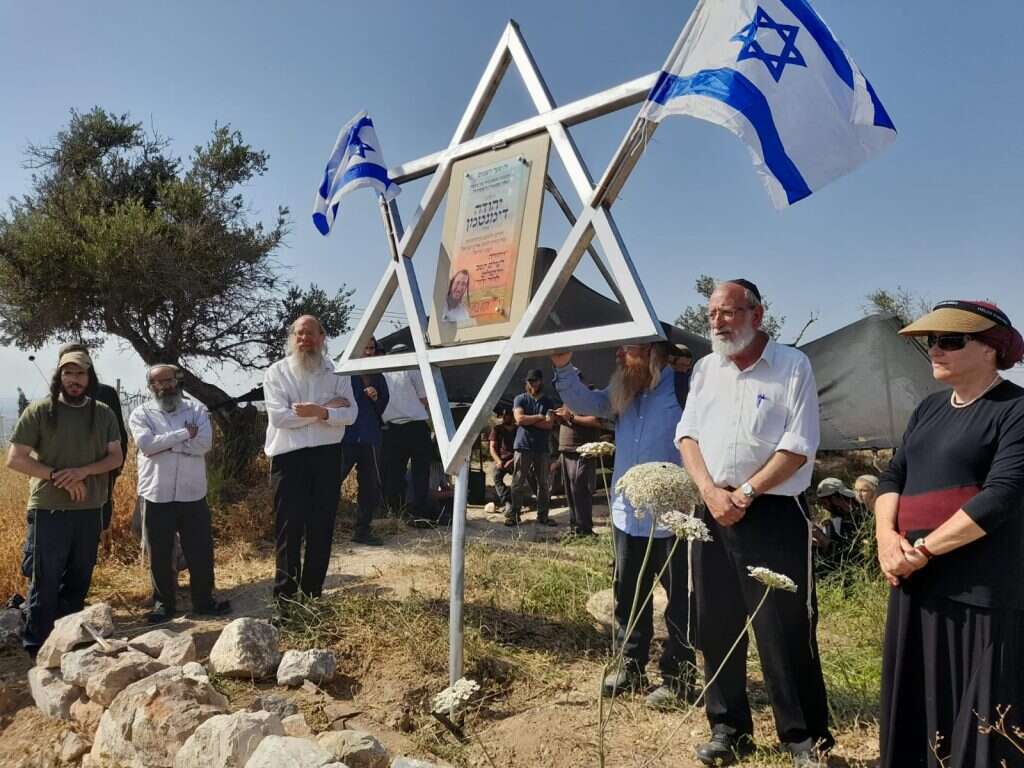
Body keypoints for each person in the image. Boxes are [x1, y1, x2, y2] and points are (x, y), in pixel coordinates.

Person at [677, 279, 832, 767]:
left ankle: (803, 738)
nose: (718, 322)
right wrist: (709, 492)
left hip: (772, 511)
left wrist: (744, 493)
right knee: (715, 622)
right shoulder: (706, 369)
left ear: (757, 315)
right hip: (712, 509)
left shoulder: (792, 366)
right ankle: (728, 728)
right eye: (712, 314)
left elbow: (799, 444)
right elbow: (687, 435)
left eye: (728, 312)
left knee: (783, 625)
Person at [874, 300, 1024, 768]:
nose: (935, 349)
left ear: (991, 349)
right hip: (916, 585)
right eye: (931, 341)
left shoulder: (1015, 410)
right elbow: (891, 477)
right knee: (918, 705)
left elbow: (1002, 495)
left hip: (980, 590)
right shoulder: (929, 409)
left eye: (951, 340)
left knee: (978, 714)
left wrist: (923, 550)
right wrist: (885, 539)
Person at [552, 342, 695, 710]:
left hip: (675, 516)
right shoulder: (623, 392)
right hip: (626, 511)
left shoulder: (686, 387)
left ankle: (678, 678)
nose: (618, 354)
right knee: (628, 593)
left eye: (628, 348)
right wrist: (563, 365)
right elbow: (586, 404)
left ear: (653, 352)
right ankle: (631, 666)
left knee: (682, 599)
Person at [5, 349, 123, 657]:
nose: (74, 380)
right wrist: (59, 476)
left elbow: (116, 456)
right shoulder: (40, 411)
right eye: (68, 373)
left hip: (90, 509)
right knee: (44, 582)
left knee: (79, 580)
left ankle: (67, 646)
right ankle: (38, 649)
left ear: (89, 378)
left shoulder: (103, 413)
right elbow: (16, 459)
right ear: (59, 376)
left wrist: (82, 472)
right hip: (49, 510)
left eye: (80, 374)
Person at [264, 315, 357, 608]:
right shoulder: (277, 372)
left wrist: (312, 411)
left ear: (322, 337)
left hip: (327, 458)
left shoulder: (338, 372)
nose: (305, 339)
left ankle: (311, 597)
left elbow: (351, 414)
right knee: (288, 530)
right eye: (299, 334)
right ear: (293, 337)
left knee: (321, 528)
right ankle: (285, 602)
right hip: (288, 458)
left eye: (311, 334)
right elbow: (279, 417)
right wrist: (327, 411)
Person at [129, 364, 230, 622]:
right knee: (159, 552)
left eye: (169, 380)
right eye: (158, 383)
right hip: (156, 493)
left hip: (191, 492)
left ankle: (204, 601)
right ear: (151, 387)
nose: (164, 386)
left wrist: (167, 444)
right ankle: (164, 605)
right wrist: (185, 435)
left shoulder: (196, 410)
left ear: (178, 381)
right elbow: (147, 446)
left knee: (200, 550)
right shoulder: (141, 414)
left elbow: (204, 443)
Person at [55, 342, 128, 555]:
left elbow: (119, 435)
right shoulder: (55, 394)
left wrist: (115, 467)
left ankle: (102, 552)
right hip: (64, 469)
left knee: (101, 507)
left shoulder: (105, 393)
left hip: (101, 465)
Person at [341, 336, 390, 545]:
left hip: (370, 437)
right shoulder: (343, 374)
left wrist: (376, 398)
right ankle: (316, 525)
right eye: (365, 348)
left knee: (369, 486)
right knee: (330, 480)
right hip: (345, 436)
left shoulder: (378, 376)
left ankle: (362, 530)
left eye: (371, 348)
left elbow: (384, 403)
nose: (369, 352)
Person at [381, 343, 432, 526]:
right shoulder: (412, 368)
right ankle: (419, 513)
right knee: (420, 473)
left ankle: (396, 512)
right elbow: (424, 397)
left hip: (393, 428)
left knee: (394, 473)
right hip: (415, 426)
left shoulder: (383, 372)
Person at [552, 375, 604, 537]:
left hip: (582, 450)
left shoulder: (591, 394)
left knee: (580, 489)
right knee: (570, 491)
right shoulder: (569, 398)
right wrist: (559, 418)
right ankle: (575, 527)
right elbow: (568, 420)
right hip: (567, 450)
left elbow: (596, 421)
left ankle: (585, 528)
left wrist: (571, 417)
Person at [509, 369, 556, 527]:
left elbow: (549, 424)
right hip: (523, 446)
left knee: (543, 483)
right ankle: (514, 515)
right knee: (518, 481)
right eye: (530, 381)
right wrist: (539, 417)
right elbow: (519, 419)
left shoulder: (548, 402)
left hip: (541, 448)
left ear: (541, 381)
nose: (532, 383)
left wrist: (531, 420)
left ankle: (542, 516)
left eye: (535, 380)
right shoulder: (520, 399)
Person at [812, 477, 863, 573]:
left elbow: (849, 558)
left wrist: (822, 538)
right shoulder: (840, 517)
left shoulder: (859, 519)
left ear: (835, 499)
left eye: (825, 503)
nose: (824, 507)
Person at [488, 405, 517, 519]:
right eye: (503, 415)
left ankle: (538, 500)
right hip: (502, 460)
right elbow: (492, 447)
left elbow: (523, 448)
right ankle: (507, 500)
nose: (505, 417)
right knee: (496, 476)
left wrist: (514, 460)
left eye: (507, 414)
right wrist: (498, 460)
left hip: (516, 459)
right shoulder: (497, 429)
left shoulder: (518, 429)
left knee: (522, 478)